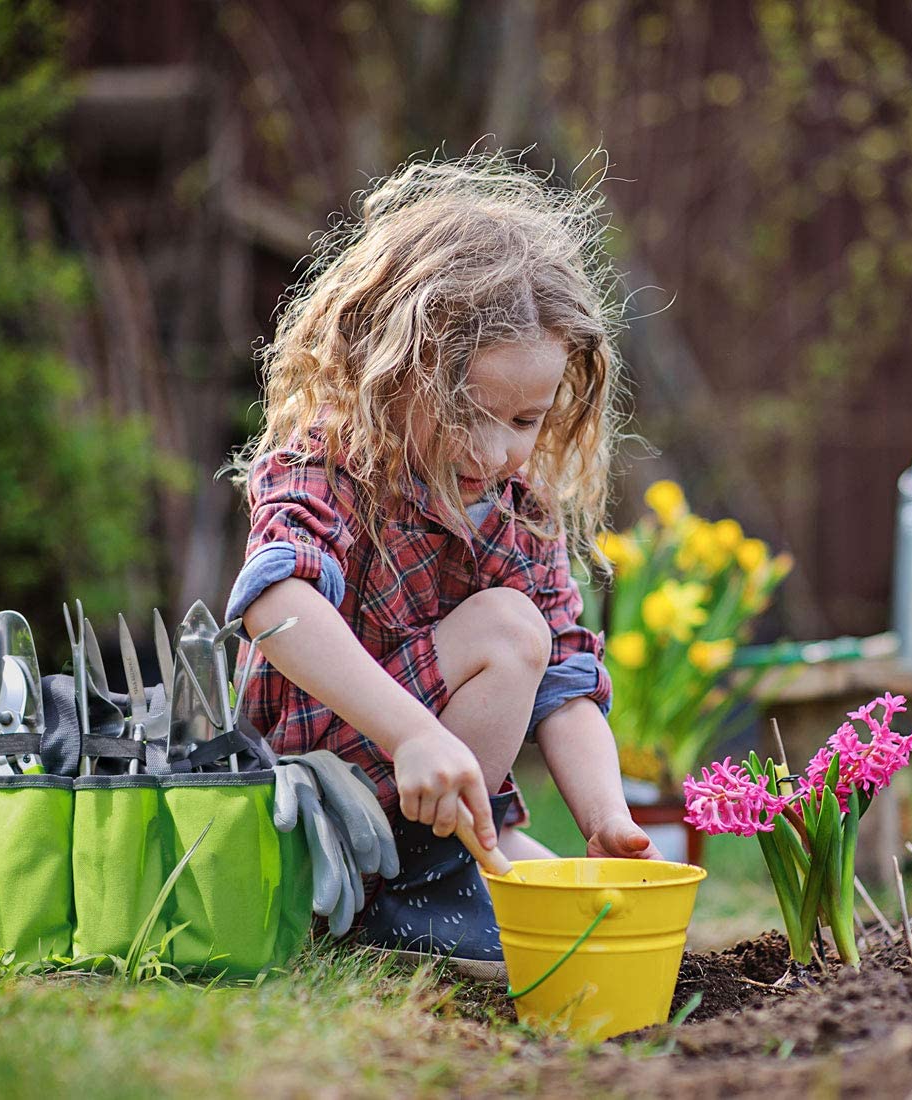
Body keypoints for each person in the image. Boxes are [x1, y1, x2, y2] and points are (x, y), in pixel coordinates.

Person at [221, 153, 660, 978]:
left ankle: (437, 875)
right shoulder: (330, 462)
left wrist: (607, 817)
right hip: (314, 795)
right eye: (467, 412)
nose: (496, 450)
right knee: (507, 628)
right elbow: (274, 604)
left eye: (527, 419)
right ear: (392, 371)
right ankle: (396, 899)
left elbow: (567, 676)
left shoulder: (516, 505)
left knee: (577, 917)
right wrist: (414, 733)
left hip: (438, 796)